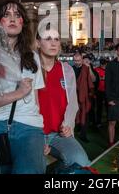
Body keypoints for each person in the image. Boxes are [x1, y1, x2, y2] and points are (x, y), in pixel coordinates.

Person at [0, 0, 46, 174]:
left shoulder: (33, 57)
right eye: (6, 15)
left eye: (17, 15)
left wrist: (42, 136)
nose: (12, 18)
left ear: (23, 22)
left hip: (28, 127)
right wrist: (19, 93)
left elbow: (35, 100)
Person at [36, 28, 90, 168]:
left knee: (81, 162)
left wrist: (68, 125)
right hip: (34, 134)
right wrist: (32, 138)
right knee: (36, 167)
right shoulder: (30, 69)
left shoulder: (66, 70)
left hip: (57, 135)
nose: (53, 43)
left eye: (56, 39)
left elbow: (72, 103)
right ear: (38, 43)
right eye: (48, 39)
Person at [72, 52, 95, 142]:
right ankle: (73, 133)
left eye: (79, 60)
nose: (77, 62)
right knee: (73, 115)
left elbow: (93, 80)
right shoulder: (71, 69)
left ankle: (83, 134)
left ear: (82, 59)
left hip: (84, 96)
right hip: (73, 96)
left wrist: (89, 68)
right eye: (75, 60)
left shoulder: (86, 68)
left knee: (84, 116)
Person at [94, 58, 107, 128]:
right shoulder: (96, 70)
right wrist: (101, 78)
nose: (104, 65)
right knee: (99, 108)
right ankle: (98, 122)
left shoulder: (108, 70)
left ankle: (109, 121)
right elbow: (95, 79)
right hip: (99, 91)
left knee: (108, 107)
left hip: (107, 91)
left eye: (105, 64)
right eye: (102, 64)